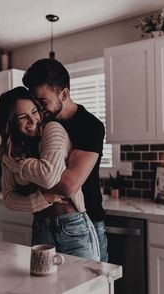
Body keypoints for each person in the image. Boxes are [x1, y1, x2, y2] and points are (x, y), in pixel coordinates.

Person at [0, 86, 100, 261]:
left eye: (34, 111)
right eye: (22, 117)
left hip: (72, 226)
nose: (32, 119)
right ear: (11, 123)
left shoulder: (52, 129)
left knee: (87, 286)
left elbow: (48, 176)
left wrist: (13, 162)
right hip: (40, 227)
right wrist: (44, 198)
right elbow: (9, 199)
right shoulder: (12, 148)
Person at [21, 58, 108, 262]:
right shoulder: (39, 126)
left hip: (85, 224)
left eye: (43, 102)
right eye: (35, 103)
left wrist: (28, 175)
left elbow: (68, 186)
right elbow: (23, 180)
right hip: (42, 223)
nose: (39, 110)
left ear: (64, 94)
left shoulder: (91, 126)